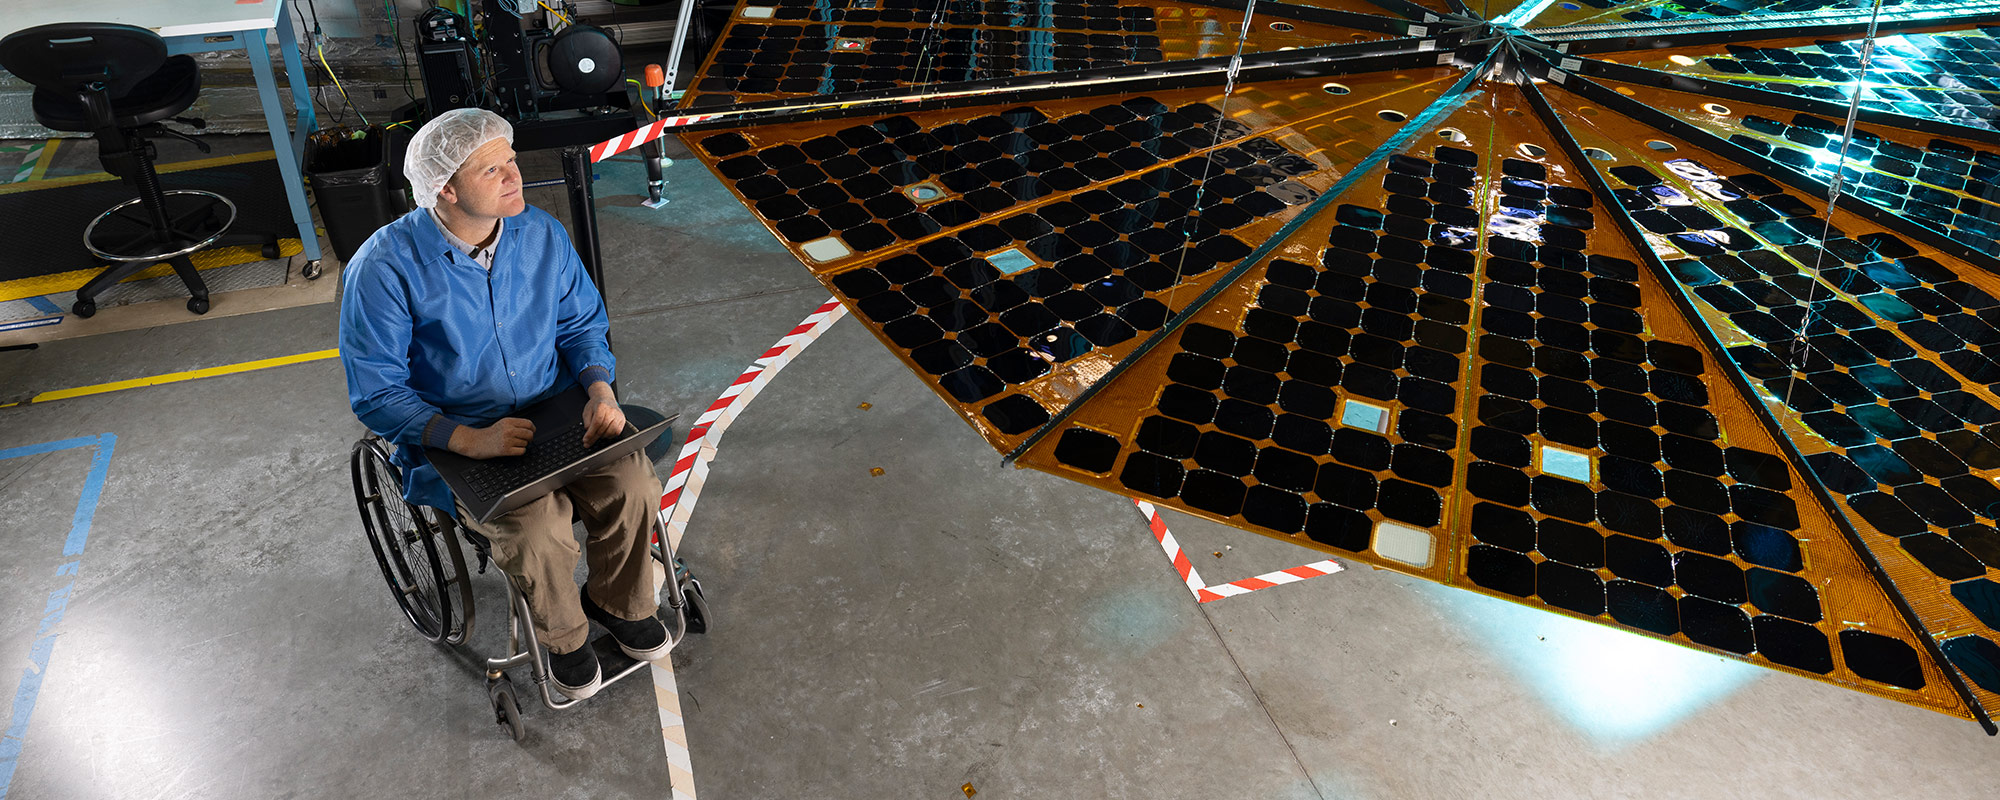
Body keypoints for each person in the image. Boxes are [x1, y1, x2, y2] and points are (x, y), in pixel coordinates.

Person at [339, 108, 665, 700]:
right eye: (495, 169)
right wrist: (468, 439)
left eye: (512, 161)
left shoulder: (539, 234)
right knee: (537, 525)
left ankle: (616, 602)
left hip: (557, 409)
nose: (516, 176)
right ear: (446, 188)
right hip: (457, 437)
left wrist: (598, 391)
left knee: (633, 481)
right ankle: (565, 638)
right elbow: (377, 392)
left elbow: (581, 324)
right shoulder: (383, 269)